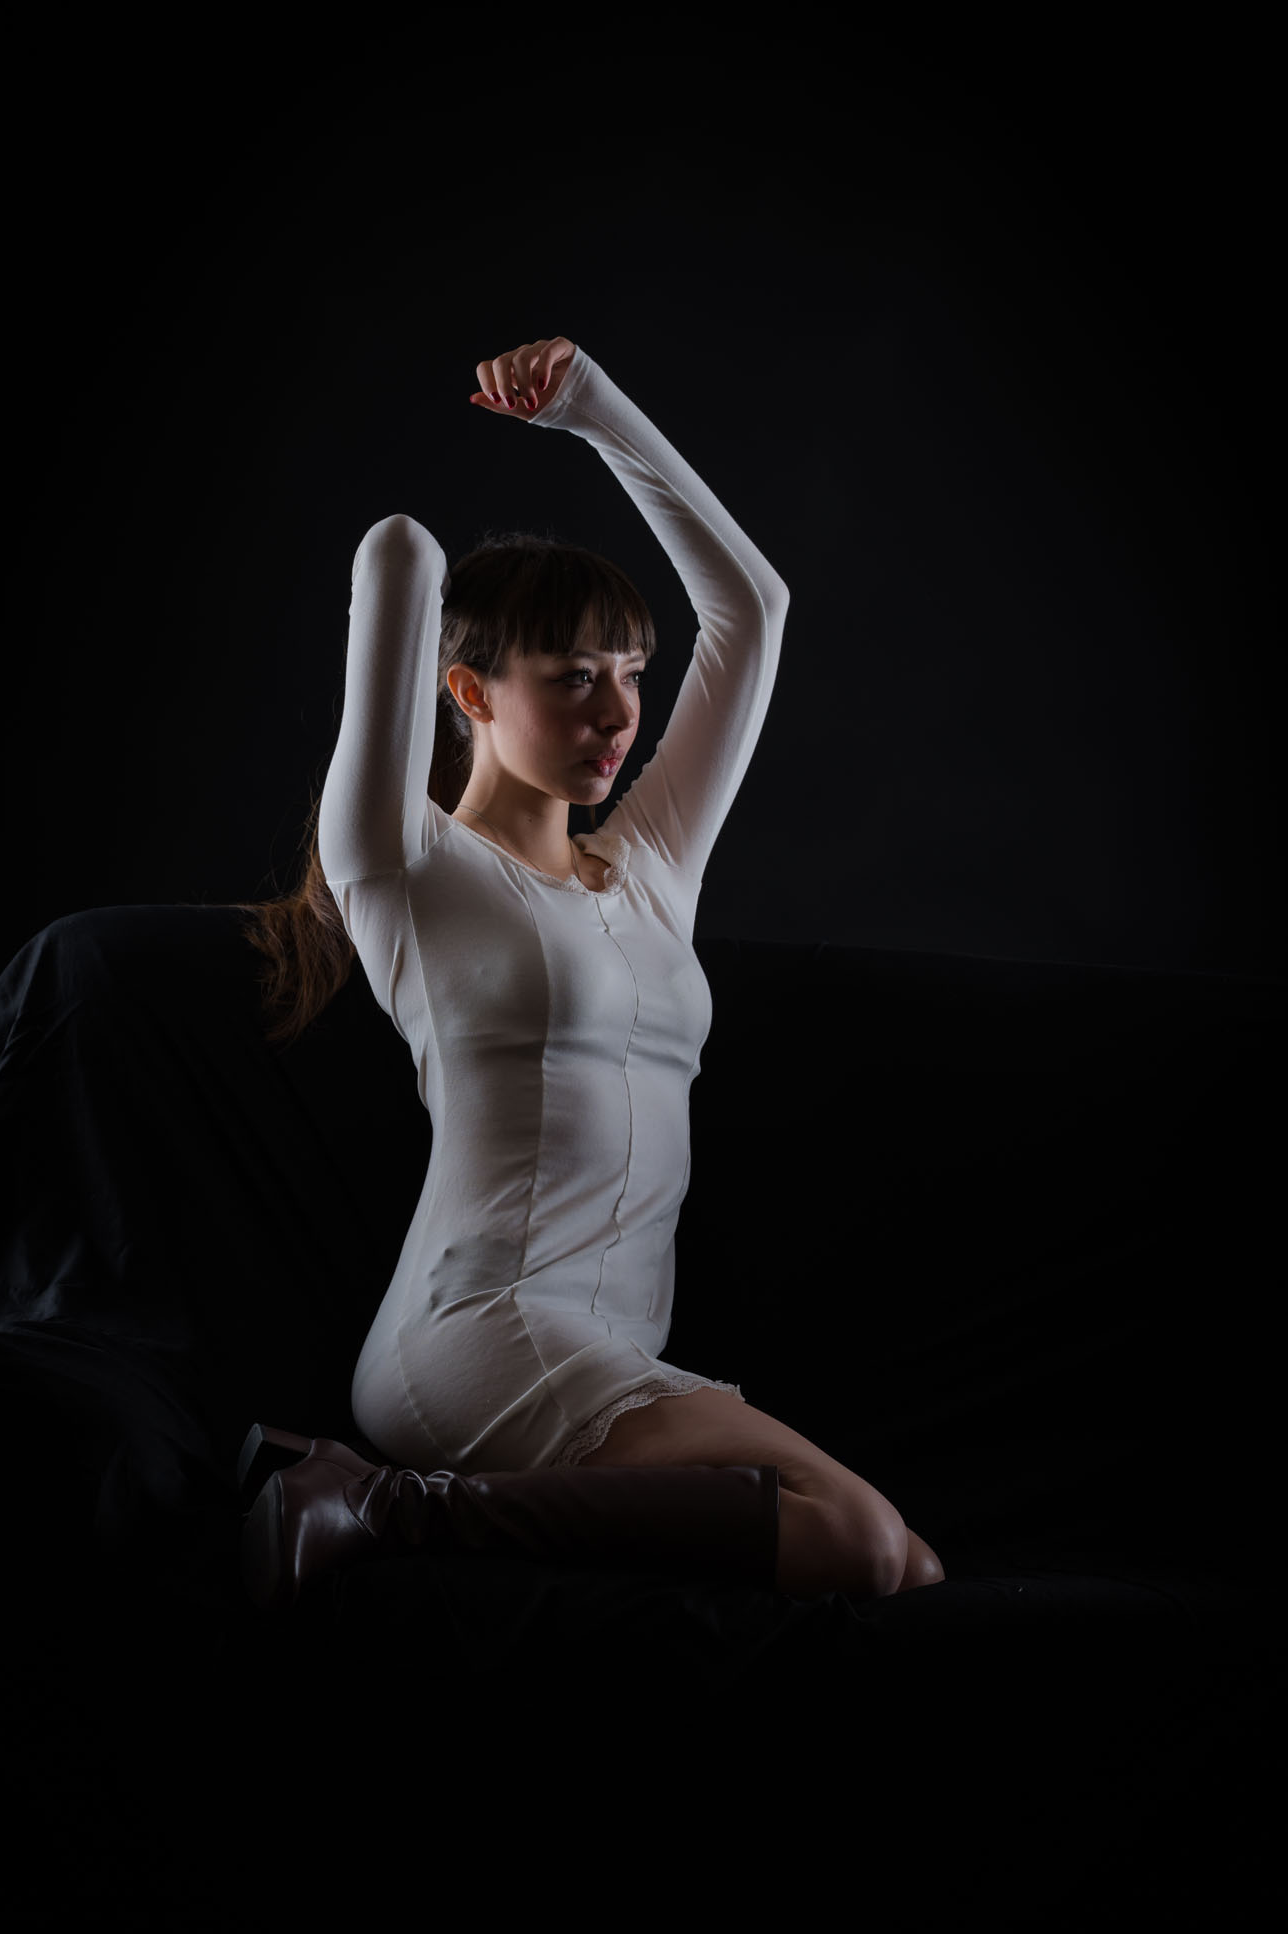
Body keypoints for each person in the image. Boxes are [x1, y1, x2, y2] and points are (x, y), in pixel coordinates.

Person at [239, 334, 945, 1609]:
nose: (618, 715)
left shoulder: (651, 868)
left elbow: (752, 610)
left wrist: (590, 408)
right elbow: (398, 551)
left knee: (906, 1562)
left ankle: (379, 1497)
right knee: (859, 1539)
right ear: (467, 691)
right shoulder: (407, 865)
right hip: (478, 1334)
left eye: (629, 675)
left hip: (609, 1348)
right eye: (572, 679)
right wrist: (426, 550)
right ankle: (378, 1501)